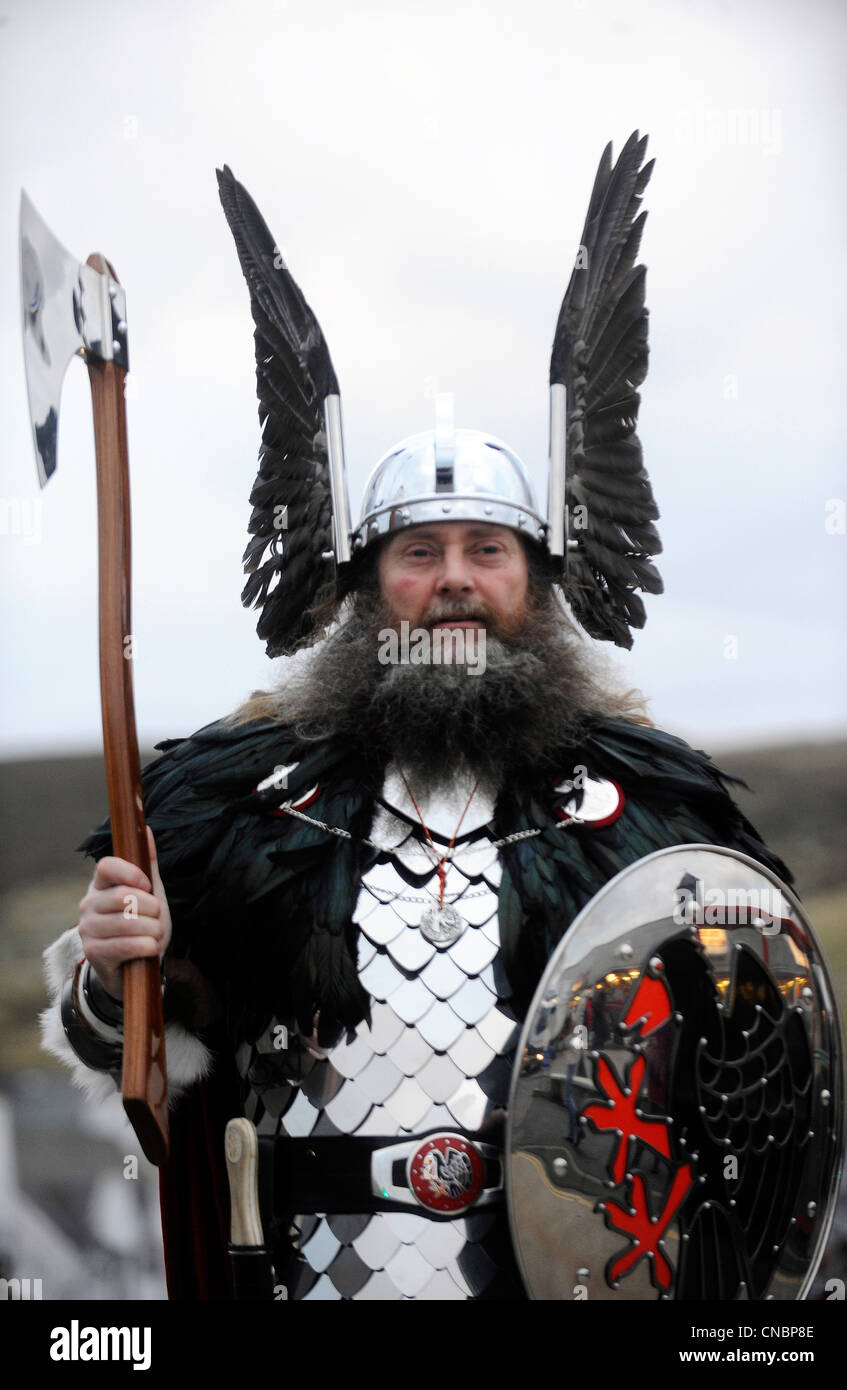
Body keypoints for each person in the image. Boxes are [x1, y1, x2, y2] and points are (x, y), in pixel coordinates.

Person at [39, 136, 796, 1301]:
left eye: (486, 551)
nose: (452, 579)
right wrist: (110, 970)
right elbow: (146, 1052)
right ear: (364, 586)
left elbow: (751, 1077)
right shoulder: (239, 807)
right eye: (418, 552)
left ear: (534, 585)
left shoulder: (656, 815)